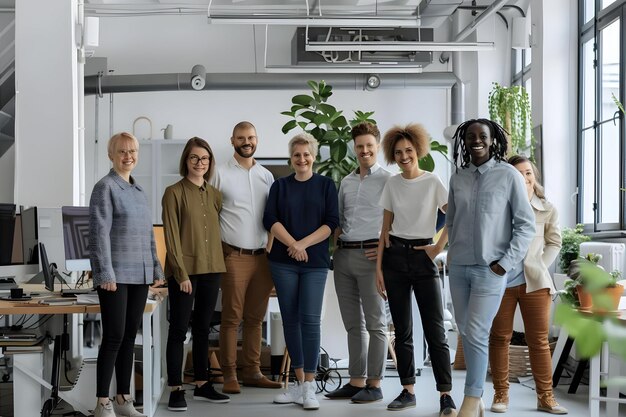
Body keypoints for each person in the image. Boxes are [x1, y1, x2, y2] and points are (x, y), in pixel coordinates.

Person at [446, 119, 535, 417]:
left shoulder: (509, 175)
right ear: (464, 141)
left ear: (492, 139)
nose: (476, 140)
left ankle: (472, 397)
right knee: (466, 331)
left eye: (482, 136)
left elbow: (525, 225)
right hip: (458, 268)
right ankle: (479, 399)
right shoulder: (457, 176)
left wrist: (505, 264)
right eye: (470, 136)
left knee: (476, 329)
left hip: (490, 270)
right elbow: (450, 221)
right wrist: (448, 254)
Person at [375, 124, 456, 417]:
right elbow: (384, 229)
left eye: (408, 150)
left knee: (436, 330)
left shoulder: (433, 182)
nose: (404, 156)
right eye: (398, 152)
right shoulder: (392, 184)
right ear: (393, 156)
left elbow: (453, 217)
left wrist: (436, 248)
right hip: (394, 258)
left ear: (418, 150)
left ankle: (445, 395)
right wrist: (378, 269)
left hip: (424, 258)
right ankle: (408, 390)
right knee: (403, 329)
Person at [89, 132, 164, 417]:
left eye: (132, 151)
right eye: (122, 151)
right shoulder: (105, 187)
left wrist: (156, 268)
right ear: (111, 155)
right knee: (114, 336)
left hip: (141, 273)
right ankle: (102, 402)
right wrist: (104, 271)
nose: (128, 156)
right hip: (116, 275)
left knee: (130, 337)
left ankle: (123, 399)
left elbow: (148, 235)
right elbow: (99, 234)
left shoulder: (139, 191)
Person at [263, 132, 339, 410]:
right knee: (290, 321)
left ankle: (310, 386)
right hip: (283, 262)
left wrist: (302, 244)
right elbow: (269, 219)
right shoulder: (280, 186)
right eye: (297, 155)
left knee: (309, 320)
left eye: (306, 154)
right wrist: (293, 245)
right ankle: (297, 384)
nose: (302, 159)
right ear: (291, 158)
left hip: (315, 263)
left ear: (314, 156)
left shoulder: (326, 185)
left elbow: (331, 222)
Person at [488, 155, 567, 414]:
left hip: (536, 282)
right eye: (518, 173)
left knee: (539, 341)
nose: (525, 178)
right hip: (502, 281)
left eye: (529, 173)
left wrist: (541, 264)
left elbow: (555, 241)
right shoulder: (499, 206)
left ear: (534, 176)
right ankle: (501, 394)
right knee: (500, 338)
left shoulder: (547, 208)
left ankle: (546, 397)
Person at [211, 121, 281, 393]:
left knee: (255, 318)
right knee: (231, 318)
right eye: (241, 137)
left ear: (257, 139)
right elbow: (211, 214)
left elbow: (272, 216)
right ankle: (229, 374)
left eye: (251, 137)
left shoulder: (266, 176)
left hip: (262, 257)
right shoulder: (219, 173)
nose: (246, 141)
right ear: (232, 141)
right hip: (234, 256)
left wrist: (271, 246)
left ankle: (252, 371)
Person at [162, 137, 230, 411]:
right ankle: (176, 390)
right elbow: (172, 236)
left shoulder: (215, 195)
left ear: (210, 163)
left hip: (212, 268)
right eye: (194, 158)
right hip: (185, 273)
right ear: (186, 161)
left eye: (204, 159)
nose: (200, 163)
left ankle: (202, 384)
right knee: (179, 330)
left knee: (203, 330)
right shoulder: (173, 192)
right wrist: (181, 274)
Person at [325, 122, 391, 404]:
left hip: (371, 257)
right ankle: (356, 381)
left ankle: (374, 384)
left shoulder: (389, 179)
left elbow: (400, 218)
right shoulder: (347, 182)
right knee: (353, 324)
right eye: (360, 146)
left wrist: (386, 249)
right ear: (354, 148)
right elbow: (338, 220)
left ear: (377, 147)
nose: (364, 150)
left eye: (369, 146)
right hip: (344, 257)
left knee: (376, 324)